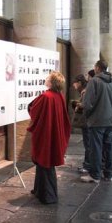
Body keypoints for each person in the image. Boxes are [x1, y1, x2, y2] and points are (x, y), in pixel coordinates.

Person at [27, 71, 71, 204]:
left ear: (52, 82)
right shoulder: (59, 96)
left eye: (48, 78)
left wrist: (31, 106)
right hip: (53, 133)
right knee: (44, 163)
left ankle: (49, 196)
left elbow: (34, 110)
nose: (46, 79)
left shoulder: (46, 96)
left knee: (44, 162)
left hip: (46, 134)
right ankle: (40, 191)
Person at [81, 60, 112, 183]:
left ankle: (95, 175)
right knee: (109, 147)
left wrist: (88, 117)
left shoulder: (94, 81)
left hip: (97, 121)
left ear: (97, 68)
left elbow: (87, 103)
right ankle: (108, 174)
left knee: (96, 148)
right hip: (110, 120)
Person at [71, 74, 91, 173]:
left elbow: (86, 106)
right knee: (88, 144)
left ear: (79, 83)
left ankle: (87, 166)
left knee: (88, 144)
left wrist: (77, 104)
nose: (73, 86)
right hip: (90, 121)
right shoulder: (86, 90)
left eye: (74, 83)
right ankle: (88, 164)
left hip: (87, 122)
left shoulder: (85, 91)